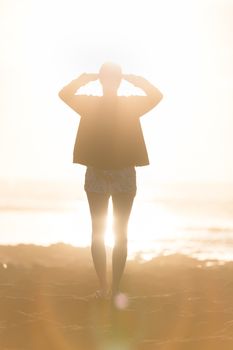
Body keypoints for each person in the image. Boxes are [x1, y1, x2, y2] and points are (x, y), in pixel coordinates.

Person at [58, 62, 163, 300]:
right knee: (118, 233)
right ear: (118, 80)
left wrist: (86, 77)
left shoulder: (93, 104)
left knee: (101, 232)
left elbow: (64, 94)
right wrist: (135, 79)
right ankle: (112, 289)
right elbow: (156, 95)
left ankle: (106, 288)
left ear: (103, 80)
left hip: (106, 173)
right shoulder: (127, 104)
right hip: (116, 174)